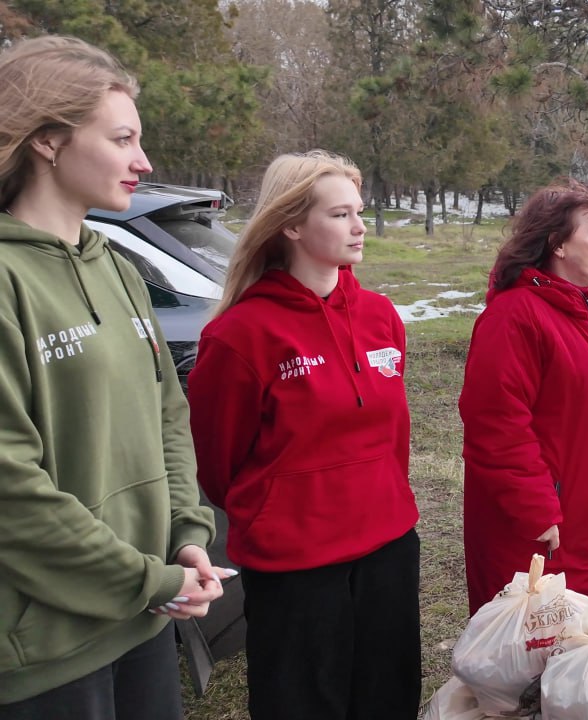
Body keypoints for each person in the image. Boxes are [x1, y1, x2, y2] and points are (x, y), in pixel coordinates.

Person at [0, 36, 225, 719]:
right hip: (47, 654)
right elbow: (11, 489)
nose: (143, 161)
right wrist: (143, 577)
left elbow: (166, 414)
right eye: (123, 138)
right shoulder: (8, 280)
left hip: (147, 619)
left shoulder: (119, 270)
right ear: (46, 139)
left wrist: (187, 533)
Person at [186, 151, 421, 719]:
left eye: (358, 212)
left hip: (389, 548)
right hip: (297, 568)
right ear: (290, 225)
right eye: (340, 215)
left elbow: (392, 437)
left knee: (388, 697)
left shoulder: (380, 316)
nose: (360, 227)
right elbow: (218, 467)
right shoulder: (240, 336)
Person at [459, 180, 588, 615]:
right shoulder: (513, 317)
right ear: (557, 243)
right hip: (541, 522)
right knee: (534, 643)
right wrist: (536, 507)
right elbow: (496, 425)